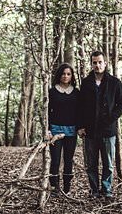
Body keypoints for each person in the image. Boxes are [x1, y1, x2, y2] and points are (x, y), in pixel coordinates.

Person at [77, 51, 122, 199]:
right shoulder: (86, 83)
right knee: (91, 164)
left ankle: (106, 191)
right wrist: (80, 126)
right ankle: (94, 191)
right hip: (90, 130)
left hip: (108, 130)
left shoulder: (114, 83)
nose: (97, 65)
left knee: (108, 164)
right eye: (94, 62)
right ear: (91, 64)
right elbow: (80, 106)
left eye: (100, 62)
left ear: (105, 63)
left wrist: (111, 118)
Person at [47, 63, 80, 194]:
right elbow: (47, 112)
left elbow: (80, 112)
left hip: (71, 130)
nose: (65, 76)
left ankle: (66, 188)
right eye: (63, 73)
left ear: (72, 76)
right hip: (55, 130)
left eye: (68, 74)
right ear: (59, 75)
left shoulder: (76, 92)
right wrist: (48, 129)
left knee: (68, 160)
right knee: (55, 160)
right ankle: (54, 187)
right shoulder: (52, 91)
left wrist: (80, 127)